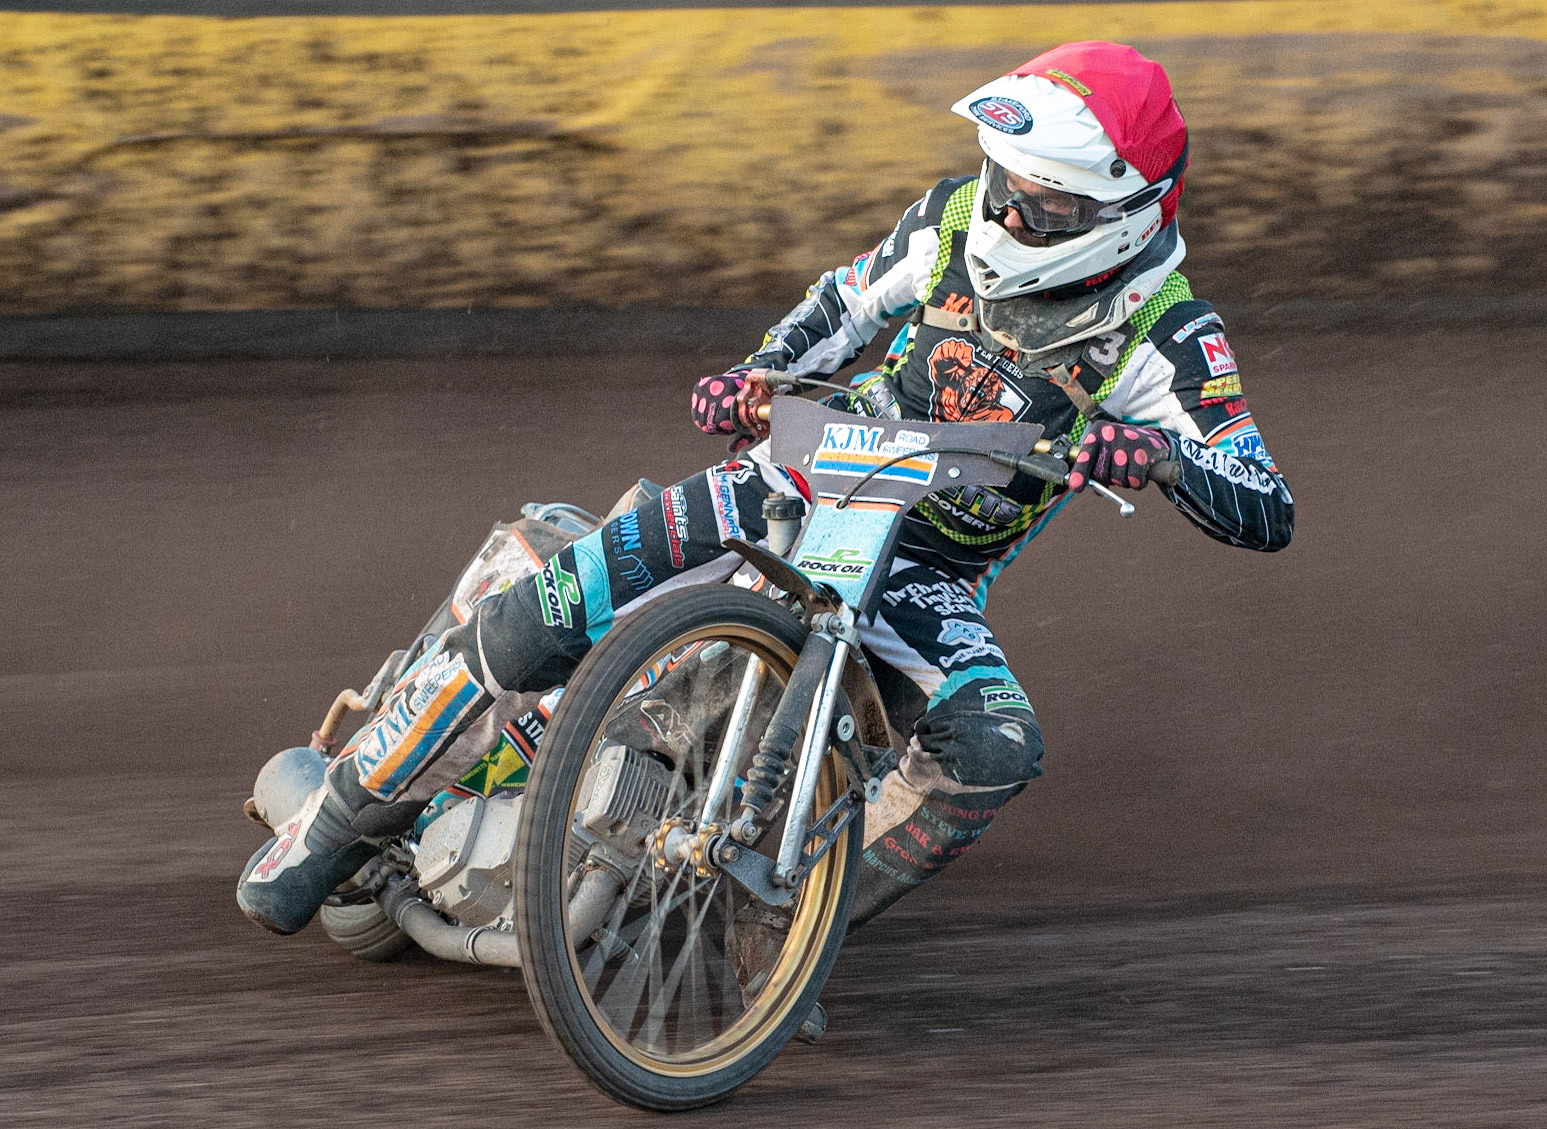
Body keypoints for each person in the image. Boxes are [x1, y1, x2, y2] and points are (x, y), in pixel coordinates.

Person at [238, 41, 1292, 956]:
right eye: (1006, 177)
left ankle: (774, 929)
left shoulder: (1169, 333)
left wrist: (1156, 454)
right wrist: (758, 374)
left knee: (994, 748)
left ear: (1124, 209)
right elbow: (841, 304)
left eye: (1046, 201)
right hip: (812, 463)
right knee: (554, 605)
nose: (1012, 209)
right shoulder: (953, 218)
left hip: (926, 574)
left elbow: (1263, 500)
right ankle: (331, 825)